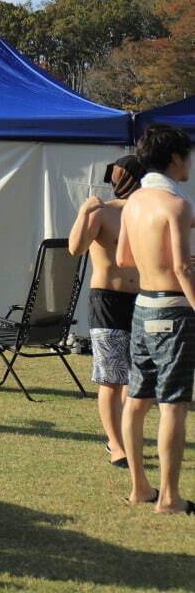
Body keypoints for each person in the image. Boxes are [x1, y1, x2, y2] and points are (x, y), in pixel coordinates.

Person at [118, 123, 195, 516]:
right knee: (173, 406)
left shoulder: (134, 201)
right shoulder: (177, 205)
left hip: (143, 306)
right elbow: (182, 267)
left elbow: (124, 260)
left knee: (137, 400)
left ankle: (139, 488)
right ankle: (169, 497)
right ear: (176, 158)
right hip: (175, 310)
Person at [67, 154, 146, 468]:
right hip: (108, 300)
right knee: (112, 379)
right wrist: (84, 212)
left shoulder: (150, 213)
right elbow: (75, 249)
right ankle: (115, 444)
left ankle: (125, 437)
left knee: (135, 380)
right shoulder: (103, 213)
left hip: (142, 300)